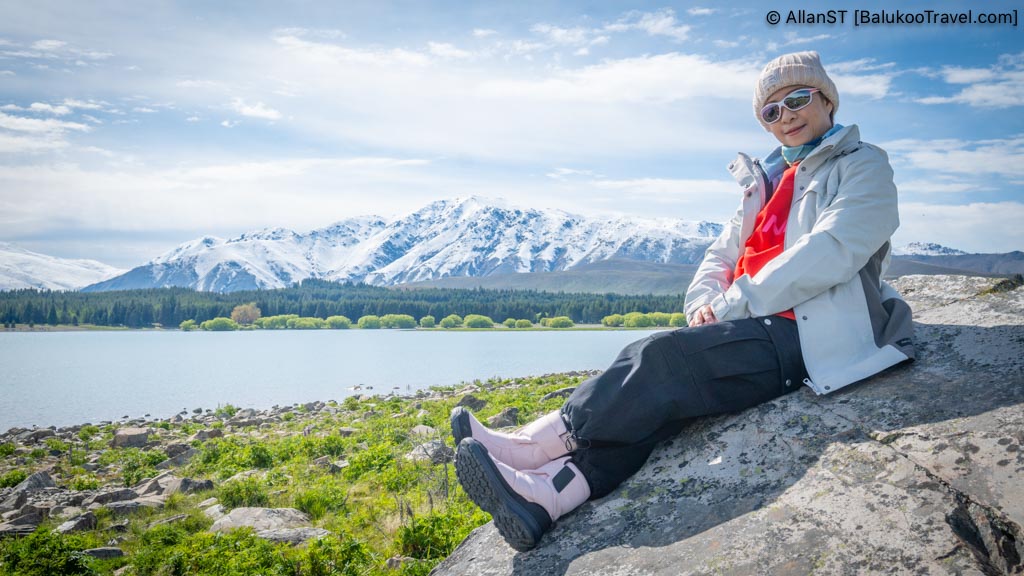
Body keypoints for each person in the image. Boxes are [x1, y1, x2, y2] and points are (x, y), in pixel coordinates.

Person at [451, 51, 916, 552]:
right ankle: (547, 497)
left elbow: (835, 249)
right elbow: (721, 253)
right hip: (751, 321)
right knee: (652, 407)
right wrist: (704, 304)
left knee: (658, 358)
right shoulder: (767, 179)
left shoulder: (863, 165)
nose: (787, 116)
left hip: (809, 330)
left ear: (827, 99)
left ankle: (533, 447)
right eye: (771, 111)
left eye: (798, 100)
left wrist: (734, 302)